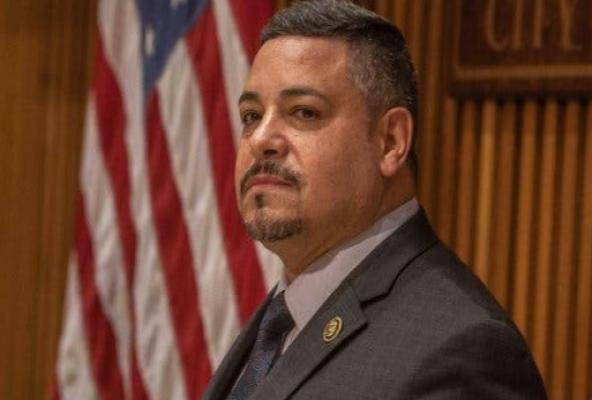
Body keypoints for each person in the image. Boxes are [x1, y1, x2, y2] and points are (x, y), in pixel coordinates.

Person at [204, 1, 547, 399]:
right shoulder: (281, 320)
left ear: (391, 142)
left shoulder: (463, 352)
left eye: (303, 112)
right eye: (251, 115)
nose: (261, 139)